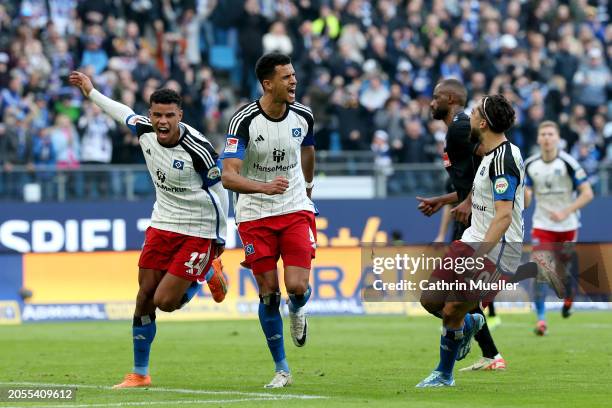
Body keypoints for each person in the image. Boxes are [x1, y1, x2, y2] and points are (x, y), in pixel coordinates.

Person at [69, 70, 229, 388]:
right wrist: (91, 92)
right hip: (162, 223)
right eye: (157, 115)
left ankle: (207, 271)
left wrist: (220, 237)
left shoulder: (199, 149)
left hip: (198, 229)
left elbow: (220, 192)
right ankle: (140, 373)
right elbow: (122, 113)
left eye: (169, 115)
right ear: (150, 115)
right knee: (144, 296)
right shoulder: (143, 130)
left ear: (179, 115)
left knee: (165, 302)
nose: (163, 121)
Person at [221, 52, 316, 389]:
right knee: (268, 293)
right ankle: (282, 369)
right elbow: (228, 177)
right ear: (267, 83)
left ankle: (299, 309)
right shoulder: (243, 122)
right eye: (286, 77)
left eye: (293, 75)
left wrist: (307, 188)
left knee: (297, 287)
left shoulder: (303, 115)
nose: (293, 81)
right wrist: (264, 188)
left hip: (293, 209)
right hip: (255, 215)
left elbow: (307, 150)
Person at [417, 94, 524, 387]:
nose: (469, 115)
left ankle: (444, 374)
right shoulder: (487, 156)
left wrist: (479, 255)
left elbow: (503, 216)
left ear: (483, 122)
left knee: (452, 309)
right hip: (472, 237)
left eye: (475, 111)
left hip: (498, 248)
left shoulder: (505, 158)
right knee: (430, 300)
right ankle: (470, 323)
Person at [524, 121, 593, 336]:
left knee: (562, 276)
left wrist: (566, 211)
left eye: (550, 134)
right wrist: (524, 195)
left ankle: (569, 299)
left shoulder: (568, 163)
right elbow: (526, 200)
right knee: (540, 270)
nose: (546, 137)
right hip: (542, 225)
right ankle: (541, 319)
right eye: (542, 134)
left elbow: (587, 193)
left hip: (567, 225)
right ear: (538, 138)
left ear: (557, 138)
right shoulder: (530, 164)